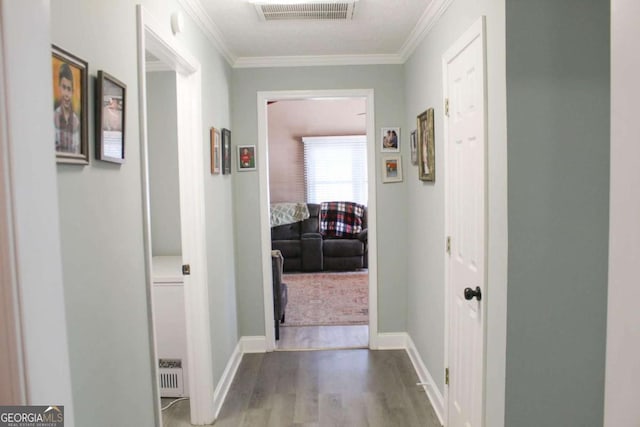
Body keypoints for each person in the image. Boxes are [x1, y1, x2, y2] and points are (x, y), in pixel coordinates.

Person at [54, 62, 81, 153]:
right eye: (64, 88)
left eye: (69, 89)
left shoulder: (76, 121)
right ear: (59, 88)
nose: (66, 94)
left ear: (73, 92)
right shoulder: (53, 117)